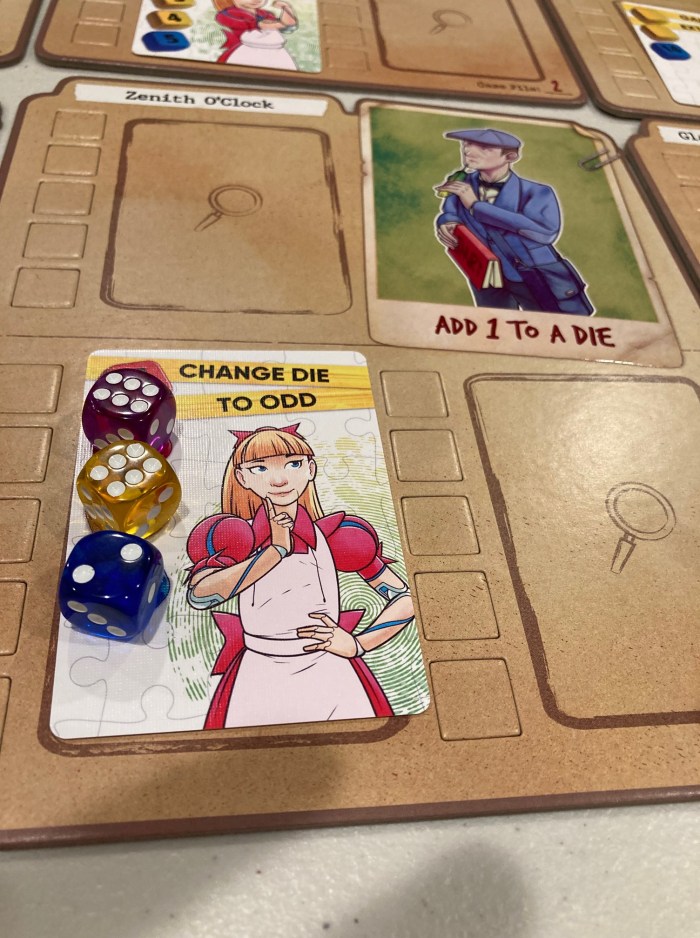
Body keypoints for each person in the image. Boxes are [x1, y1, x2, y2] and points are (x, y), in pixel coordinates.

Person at [186, 424, 415, 729]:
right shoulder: (235, 535)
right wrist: (275, 551)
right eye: (260, 468)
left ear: (310, 469)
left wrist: (358, 644)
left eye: (293, 464)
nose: (279, 479)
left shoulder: (338, 536)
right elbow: (200, 595)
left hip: (332, 671)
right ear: (242, 477)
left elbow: (406, 598)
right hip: (260, 673)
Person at [435, 128, 594, 315]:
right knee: (493, 323)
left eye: (484, 148)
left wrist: (477, 206)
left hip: (530, 272)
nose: (468, 151)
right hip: (485, 275)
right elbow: (450, 211)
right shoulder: (462, 183)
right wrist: (447, 222)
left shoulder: (538, 192)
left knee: (549, 323)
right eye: (467, 144)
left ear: (510, 156)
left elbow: (545, 233)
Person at [213, 0, 298, 67]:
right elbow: (262, 25)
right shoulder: (228, 13)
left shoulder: (264, 14)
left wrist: (286, 8)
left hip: (270, 51)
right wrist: (269, 25)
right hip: (243, 51)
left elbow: (287, 24)